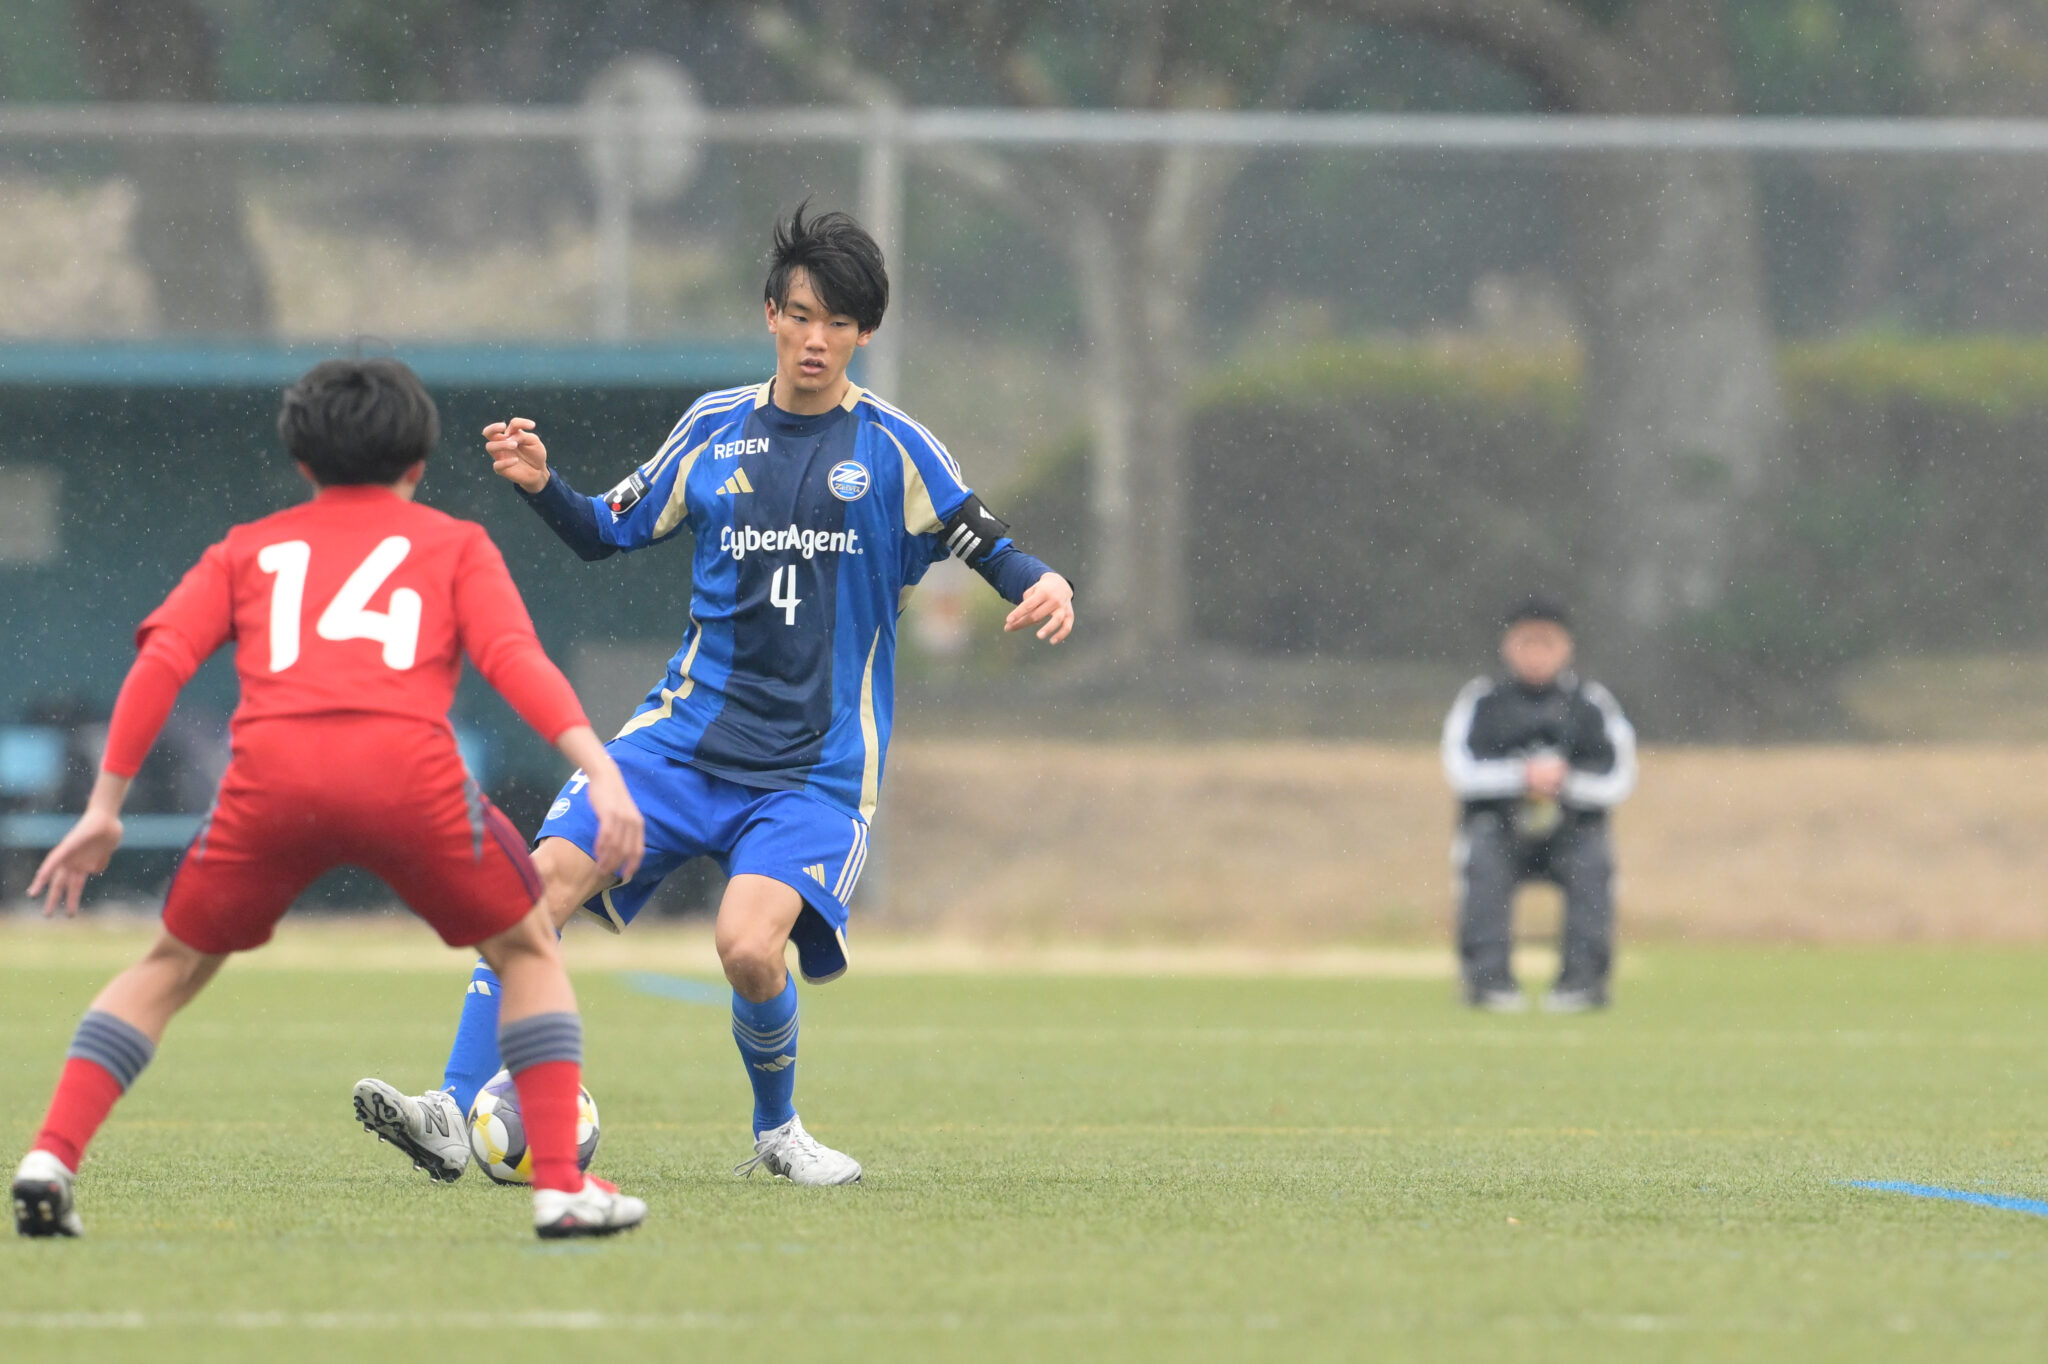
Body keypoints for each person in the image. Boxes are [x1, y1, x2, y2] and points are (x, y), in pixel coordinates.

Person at [353, 204, 1076, 1187]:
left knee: (746, 948)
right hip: (680, 743)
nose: (815, 338)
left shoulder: (897, 448)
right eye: (799, 315)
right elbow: (605, 530)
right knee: (534, 887)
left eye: (838, 322)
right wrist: (542, 485)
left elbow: (982, 538)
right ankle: (449, 1108)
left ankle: (778, 1131)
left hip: (814, 769)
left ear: (865, 333)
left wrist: (1041, 579)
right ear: (770, 314)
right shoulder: (712, 428)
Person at [11, 359, 649, 1241]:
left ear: (302, 461)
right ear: (418, 461)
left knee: (167, 969)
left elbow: (162, 660)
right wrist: (600, 770)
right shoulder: (455, 544)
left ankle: (50, 1158)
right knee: (529, 948)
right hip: (409, 780)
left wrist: (104, 805)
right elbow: (515, 663)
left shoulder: (248, 548)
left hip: (273, 783)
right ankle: (562, 1189)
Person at [1440, 596, 1636, 1013]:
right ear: (1507, 646)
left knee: (1593, 866)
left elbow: (1619, 778)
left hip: (1572, 830)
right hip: (1500, 828)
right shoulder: (1482, 701)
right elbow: (1460, 771)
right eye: (1526, 642)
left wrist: (1565, 781)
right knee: (1483, 865)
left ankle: (1582, 983)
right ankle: (1488, 982)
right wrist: (1520, 777)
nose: (1536, 653)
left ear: (1566, 648)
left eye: (1546, 642)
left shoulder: (1591, 704)